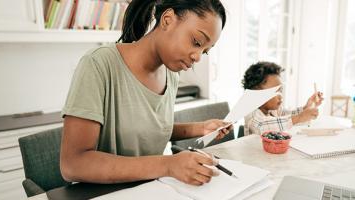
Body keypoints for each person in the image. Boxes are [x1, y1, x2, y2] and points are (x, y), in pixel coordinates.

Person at [60, 0, 230, 186]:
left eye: (204, 51)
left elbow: (147, 129)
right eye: (197, 42)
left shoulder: (170, 75)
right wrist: (168, 165)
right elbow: (73, 164)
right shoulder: (98, 64)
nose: (198, 57)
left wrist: (200, 128)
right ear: (167, 19)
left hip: (150, 188)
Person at [241, 61, 323, 136]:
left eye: (281, 90)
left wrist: (306, 108)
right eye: (275, 91)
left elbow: (287, 115)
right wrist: (300, 117)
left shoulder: (273, 109)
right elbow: (262, 126)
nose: (280, 95)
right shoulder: (250, 113)